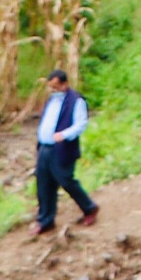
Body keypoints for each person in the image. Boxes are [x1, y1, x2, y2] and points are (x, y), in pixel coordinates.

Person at [32, 69, 98, 235]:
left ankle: (89, 208)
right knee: (44, 184)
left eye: (55, 87)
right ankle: (45, 220)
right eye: (51, 87)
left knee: (66, 180)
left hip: (62, 148)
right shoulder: (51, 100)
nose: (53, 90)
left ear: (64, 84)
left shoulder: (76, 101)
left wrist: (65, 135)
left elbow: (80, 124)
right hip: (45, 148)